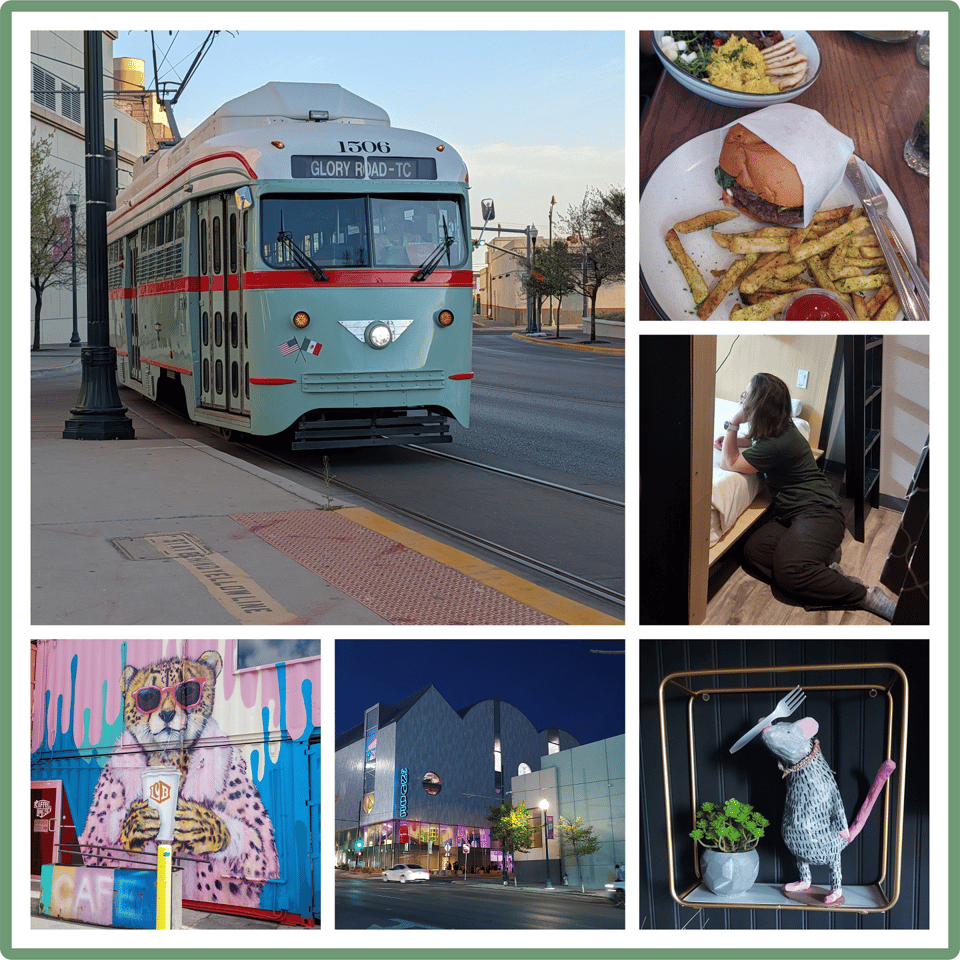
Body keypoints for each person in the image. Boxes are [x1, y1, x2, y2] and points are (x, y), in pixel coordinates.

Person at [717, 372, 897, 621]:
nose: (742, 401)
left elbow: (729, 463)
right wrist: (738, 440)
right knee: (754, 551)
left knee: (789, 573)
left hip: (819, 512)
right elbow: (759, 442)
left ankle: (865, 595)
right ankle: (817, 569)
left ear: (758, 406)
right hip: (793, 514)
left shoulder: (778, 442)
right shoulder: (781, 428)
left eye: (745, 397)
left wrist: (733, 423)